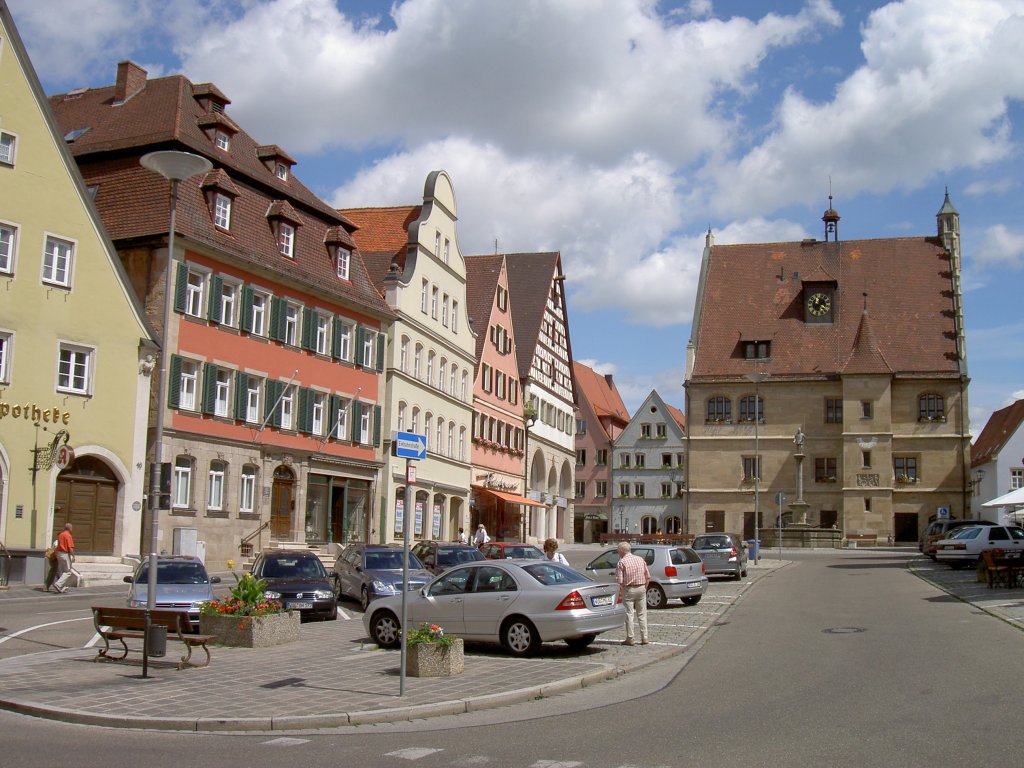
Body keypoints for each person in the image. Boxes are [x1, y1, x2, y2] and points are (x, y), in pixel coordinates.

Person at [615, 541, 650, 646]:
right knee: (642, 614)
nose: (618, 553)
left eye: (618, 551)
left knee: (629, 614)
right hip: (641, 588)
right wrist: (644, 588)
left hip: (629, 589)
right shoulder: (640, 559)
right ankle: (645, 637)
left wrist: (620, 592)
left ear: (622, 551)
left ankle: (630, 638)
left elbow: (619, 581)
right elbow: (648, 576)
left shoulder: (621, 562)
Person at [52, 522, 76, 594]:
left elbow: (58, 545)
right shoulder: (68, 535)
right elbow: (70, 547)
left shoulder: (61, 534)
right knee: (68, 571)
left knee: (62, 571)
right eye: (71, 528)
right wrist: (73, 556)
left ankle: (63, 587)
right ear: (70, 528)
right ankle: (58, 584)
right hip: (65, 554)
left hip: (59, 553)